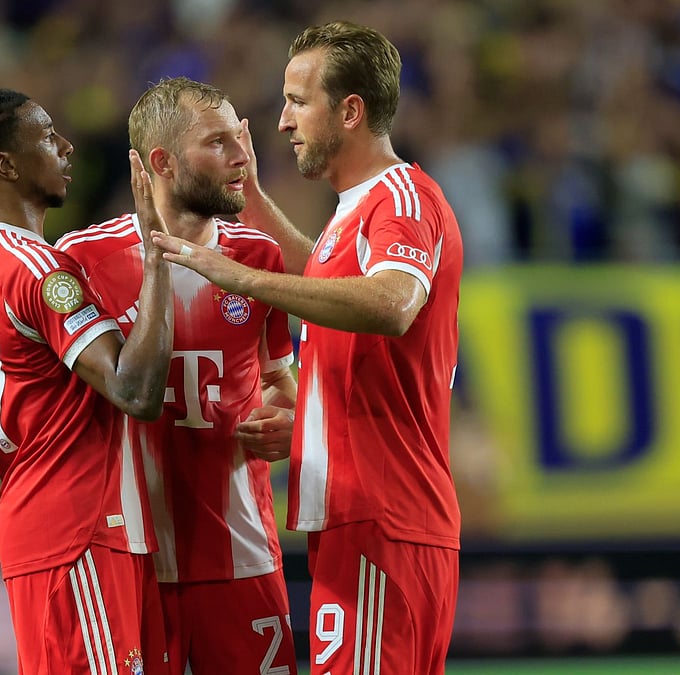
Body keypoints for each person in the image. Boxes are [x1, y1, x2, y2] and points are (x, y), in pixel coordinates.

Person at [151, 22, 464, 675]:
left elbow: (392, 303)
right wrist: (256, 201)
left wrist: (241, 276)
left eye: (298, 101)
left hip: (383, 515)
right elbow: (323, 283)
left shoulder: (400, 199)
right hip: (361, 517)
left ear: (350, 110)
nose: (283, 120)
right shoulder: (355, 211)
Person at [0, 89, 175, 675]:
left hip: (44, 529)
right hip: (79, 528)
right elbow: (133, 391)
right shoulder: (41, 269)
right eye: (48, 136)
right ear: (5, 164)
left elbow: (22, 375)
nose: (66, 146)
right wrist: (157, 258)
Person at [55, 77, 299, 675]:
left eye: (240, 138)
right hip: (129, 556)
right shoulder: (82, 259)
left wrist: (291, 423)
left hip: (239, 550)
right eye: (218, 142)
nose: (242, 156)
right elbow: (48, 374)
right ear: (161, 162)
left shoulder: (258, 260)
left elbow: (280, 385)